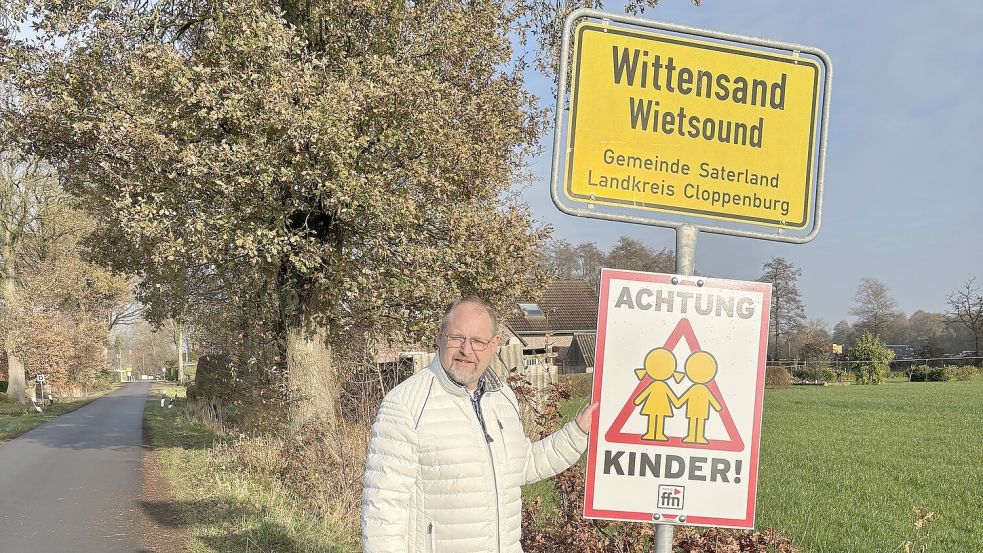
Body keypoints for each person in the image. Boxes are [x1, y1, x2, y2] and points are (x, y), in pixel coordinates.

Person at [361, 296, 598, 553]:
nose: (466, 350)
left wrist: (577, 432)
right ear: (439, 335)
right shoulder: (406, 405)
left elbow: (523, 464)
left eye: (478, 341)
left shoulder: (503, 397)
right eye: (456, 338)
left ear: (494, 345)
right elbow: (383, 509)